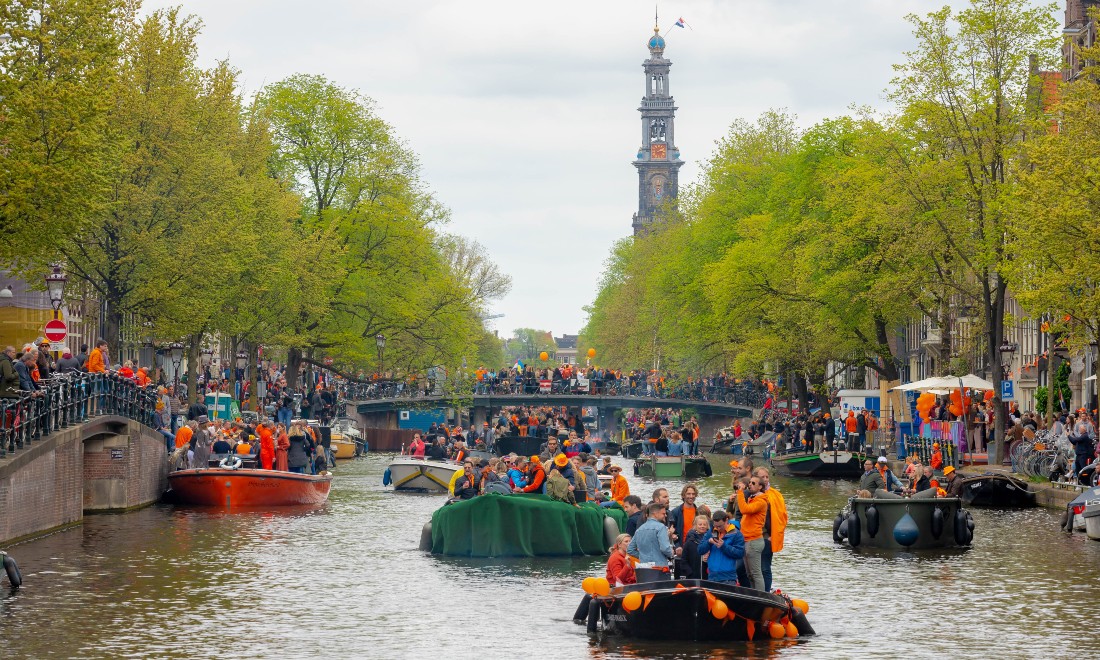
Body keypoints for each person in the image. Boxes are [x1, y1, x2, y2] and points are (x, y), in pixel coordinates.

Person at [753, 467, 787, 592]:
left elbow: (781, 516)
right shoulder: (750, 493)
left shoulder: (775, 495)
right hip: (752, 535)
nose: (765, 479)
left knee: (765, 567)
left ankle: (766, 592)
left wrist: (774, 535)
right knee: (752, 568)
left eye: (767, 477)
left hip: (767, 536)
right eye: (762, 477)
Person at [627, 502, 678, 581]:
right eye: (663, 513)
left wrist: (642, 556)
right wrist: (672, 552)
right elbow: (665, 548)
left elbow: (630, 549)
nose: (665, 515)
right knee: (662, 591)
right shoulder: (661, 527)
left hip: (644, 570)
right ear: (655, 514)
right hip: (659, 569)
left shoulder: (639, 529)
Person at [736, 475, 767, 591]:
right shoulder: (752, 499)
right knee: (749, 574)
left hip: (754, 541)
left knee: (756, 573)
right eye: (750, 482)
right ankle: (755, 594)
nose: (750, 484)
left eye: (753, 483)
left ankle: (761, 597)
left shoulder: (761, 501)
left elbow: (744, 510)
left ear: (760, 487)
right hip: (747, 539)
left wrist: (740, 492)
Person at [698, 511, 745, 585]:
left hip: (728, 578)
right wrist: (708, 542)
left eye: (720, 526)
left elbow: (740, 554)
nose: (718, 528)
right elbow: (700, 550)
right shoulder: (712, 532)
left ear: (726, 520)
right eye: (715, 526)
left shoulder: (736, 534)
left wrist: (724, 546)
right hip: (712, 576)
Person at [667, 484, 699, 549]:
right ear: (683, 495)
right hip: (682, 547)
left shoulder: (699, 512)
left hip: (696, 547)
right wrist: (677, 546)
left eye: (693, 494)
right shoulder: (675, 512)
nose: (691, 496)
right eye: (688, 494)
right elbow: (672, 532)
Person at [681, 514, 712, 579]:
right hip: (693, 576)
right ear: (695, 526)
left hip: (708, 575)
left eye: (704, 524)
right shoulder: (689, 542)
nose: (702, 526)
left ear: (707, 526)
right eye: (700, 524)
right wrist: (690, 573)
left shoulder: (711, 540)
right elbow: (683, 560)